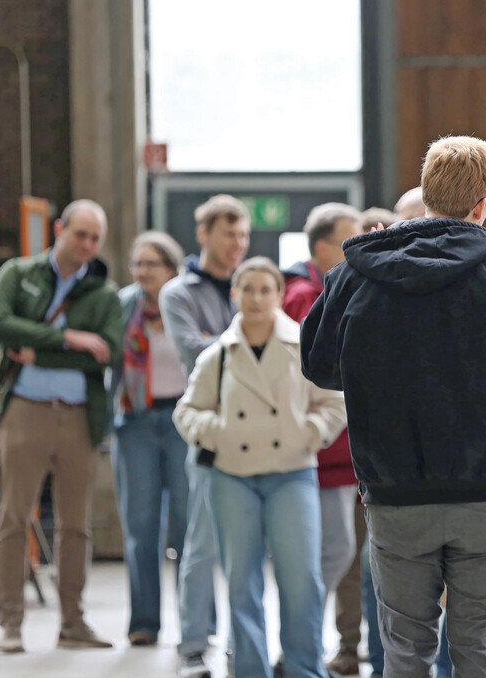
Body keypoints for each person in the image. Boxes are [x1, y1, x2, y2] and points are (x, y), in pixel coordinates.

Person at [301, 135, 486, 677]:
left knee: (404, 652)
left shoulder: (358, 271)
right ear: (481, 205)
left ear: (426, 193)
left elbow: (318, 363)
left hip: (394, 487)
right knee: (478, 652)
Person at [174, 257, 346, 678]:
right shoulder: (218, 354)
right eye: (247, 289)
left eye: (265, 289)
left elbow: (335, 402)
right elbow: (186, 412)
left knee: (302, 578)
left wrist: (309, 433)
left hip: (293, 471)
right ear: (234, 293)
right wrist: (218, 432)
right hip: (232, 474)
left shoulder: (302, 344)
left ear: (279, 294)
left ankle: (305, 667)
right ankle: (250, 669)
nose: (255, 298)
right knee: (240, 580)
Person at [0, 199, 123, 653]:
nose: (86, 244)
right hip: (25, 409)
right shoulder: (18, 273)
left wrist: (40, 350)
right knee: (13, 517)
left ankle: (73, 623)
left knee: (76, 524)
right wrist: (68, 338)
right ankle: (10, 623)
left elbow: (109, 349)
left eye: (95, 238)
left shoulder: (104, 294)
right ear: (59, 228)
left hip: (78, 415)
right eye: (79, 234)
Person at [160, 193, 251, 678]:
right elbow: (195, 353)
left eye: (242, 235)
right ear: (204, 234)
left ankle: (243, 646)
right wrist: (251, 340)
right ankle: (193, 645)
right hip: (210, 431)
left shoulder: (248, 285)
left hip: (257, 433)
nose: (237, 244)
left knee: (245, 549)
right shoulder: (178, 293)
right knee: (202, 542)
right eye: (228, 234)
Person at [281, 202, 364, 676]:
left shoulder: (346, 287)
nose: (357, 250)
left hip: (347, 450)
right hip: (320, 453)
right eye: (347, 241)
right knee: (326, 556)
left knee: (345, 557)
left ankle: (330, 646)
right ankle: (300, 644)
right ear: (321, 247)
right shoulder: (302, 298)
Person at [111, 231, 191, 647]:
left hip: (181, 419)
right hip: (136, 421)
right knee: (141, 528)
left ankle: (195, 625)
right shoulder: (123, 305)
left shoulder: (185, 305)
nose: (142, 272)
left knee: (186, 526)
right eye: (137, 264)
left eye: (151, 264)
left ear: (172, 269)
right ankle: (143, 623)